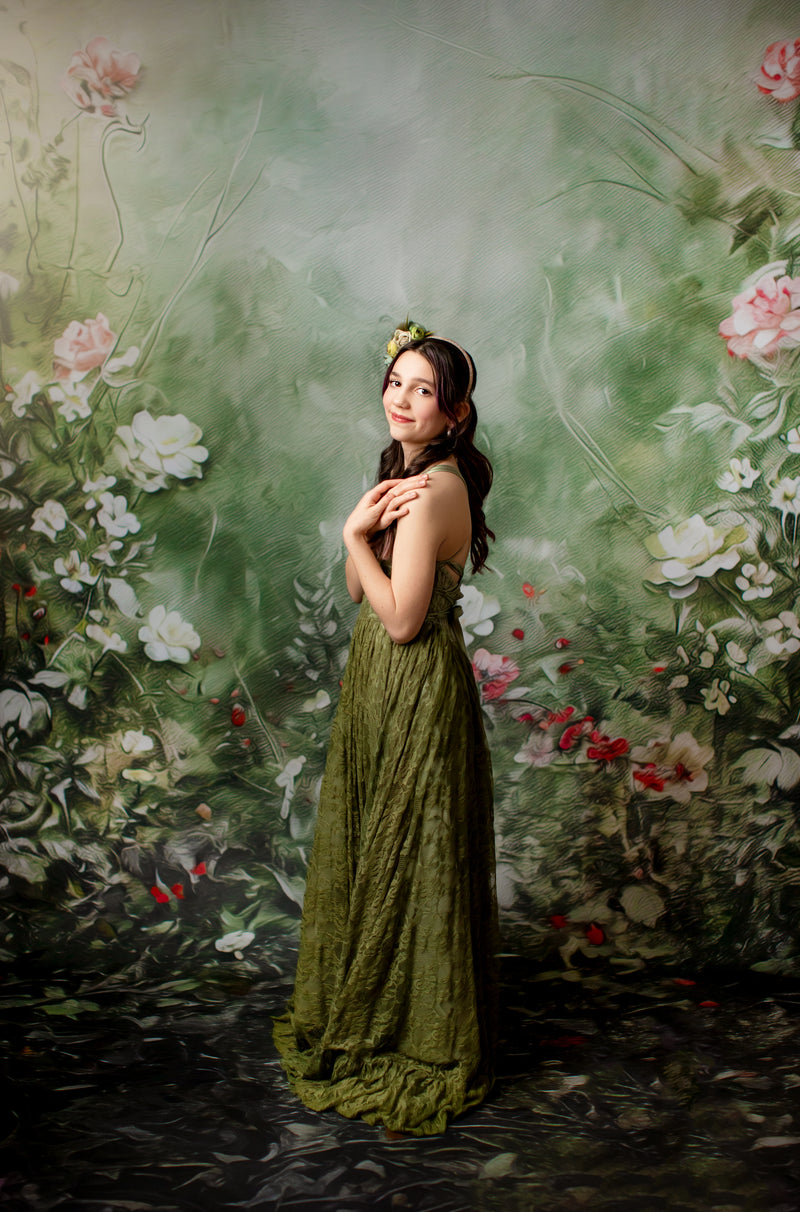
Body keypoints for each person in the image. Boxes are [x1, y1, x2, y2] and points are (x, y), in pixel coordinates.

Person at [273, 324, 498, 1136]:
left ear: (455, 414)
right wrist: (361, 530)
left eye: (423, 390)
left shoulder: (437, 489)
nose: (402, 399)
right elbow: (357, 586)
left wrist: (350, 536)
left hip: (412, 681)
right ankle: (390, 1007)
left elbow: (401, 618)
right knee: (379, 848)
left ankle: (413, 1031)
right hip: (378, 682)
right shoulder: (404, 474)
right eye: (395, 382)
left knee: (411, 853)